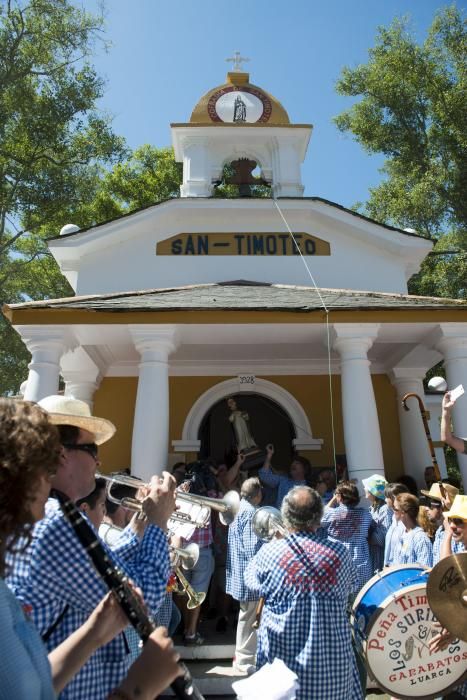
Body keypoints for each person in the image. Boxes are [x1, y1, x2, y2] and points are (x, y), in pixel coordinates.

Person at [0, 398, 181, 700]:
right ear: (60, 455)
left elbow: (102, 566)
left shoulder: (62, 517)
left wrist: (139, 525)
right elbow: (142, 600)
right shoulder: (58, 519)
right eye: (92, 450)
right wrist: (158, 523)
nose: (99, 463)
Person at [245, 486, 363, 700]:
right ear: (319, 518)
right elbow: (352, 584)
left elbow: (250, 582)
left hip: (282, 674)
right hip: (332, 671)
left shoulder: (269, 552)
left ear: (286, 517)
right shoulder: (340, 553)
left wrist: (277, 542)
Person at [226, 477, 263, 675]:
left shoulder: (238, 509)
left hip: (240, 572)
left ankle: (241, 656)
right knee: (250, 617)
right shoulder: (250, 512)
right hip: (249, 575)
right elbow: (251, 548)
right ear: (257, 494)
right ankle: (244, 659)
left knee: (246, 616)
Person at [321, 481, 373, 591]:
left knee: (340, 600)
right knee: (361, 599)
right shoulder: (366, 514)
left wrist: (333, 500)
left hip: (338, 563)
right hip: (361, 563)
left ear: (339, 497)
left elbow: (321, 517)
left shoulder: (331, 514)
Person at [258, 444, 311, 509]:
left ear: (305, 469)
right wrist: (269, 455)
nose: (293, 464)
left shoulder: (308, 489)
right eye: (292, 463)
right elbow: (264, 476)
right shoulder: (284, 480)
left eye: (297, 463)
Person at [420, 482, 461, 564]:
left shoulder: (457, 533)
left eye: (429, 504)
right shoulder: (439, 531)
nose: (426, 508)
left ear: (442, 506)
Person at [391, 493, 433, 567]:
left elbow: (424, 570)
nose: (393, 511)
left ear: (403, 513)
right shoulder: (402, 533)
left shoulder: (421, 538)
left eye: (395, 508)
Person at [362, 474, 391, 572]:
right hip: (374, 555)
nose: (364, 488)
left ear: (373, 491)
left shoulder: (385, 509)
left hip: (381, 557)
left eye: (366, 487)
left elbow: (382, 538)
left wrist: (363, 534)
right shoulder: (373, 508)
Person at [383, 482, 410, 566]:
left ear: (395, 498)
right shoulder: (394, 519)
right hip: (389, 569)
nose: (385, 500)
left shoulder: (406, 521)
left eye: (387, 497)